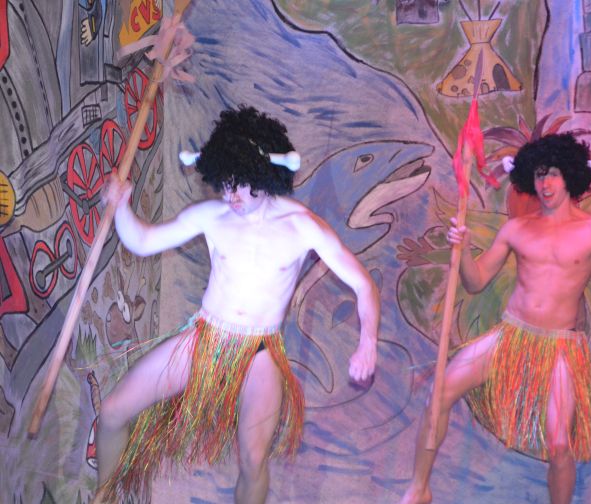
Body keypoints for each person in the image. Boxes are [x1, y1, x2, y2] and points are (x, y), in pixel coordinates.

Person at [95, 105, 379, 503]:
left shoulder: (302, 226)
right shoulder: (212, 215)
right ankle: (103, 498)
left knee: (253, 459)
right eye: (225, 183)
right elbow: (142, 241)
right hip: (204, 338)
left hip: (260, 352)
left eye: (241, 184)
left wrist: (368, 342)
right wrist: (121, 207)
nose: (232, 196)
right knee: (112, 412)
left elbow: (363, 285)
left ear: (263, 173)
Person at [400, 133, 591, 504]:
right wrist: (463, 251)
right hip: (511, 336)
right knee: (440, 392)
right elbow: (476, 282)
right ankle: (419, 489)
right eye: (540, 174)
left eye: (554, 173)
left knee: (559, 445)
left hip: (561, 346)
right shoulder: (517, 229)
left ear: (571, 176)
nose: (546, 183)